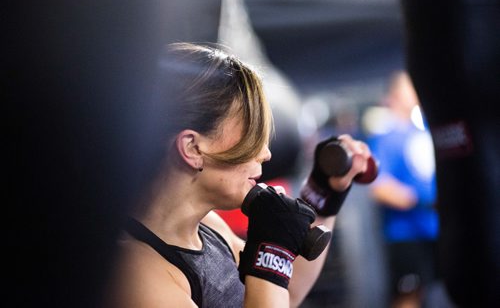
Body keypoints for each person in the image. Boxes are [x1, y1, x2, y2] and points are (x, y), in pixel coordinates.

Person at [102, 42, 373, 307]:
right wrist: (271, 255)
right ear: (193, 148)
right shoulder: (136, 272)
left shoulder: (209, 226)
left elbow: (283, 296)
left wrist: (322, 192)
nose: (265, 153)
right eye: (249, 132)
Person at [367, 71, 439, 308]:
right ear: (396, 93)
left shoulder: (424, 130)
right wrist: (420, 201)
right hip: (405, 234)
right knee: (409, 294)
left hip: (436, 231)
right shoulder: (385, 136)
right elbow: (378, 186)